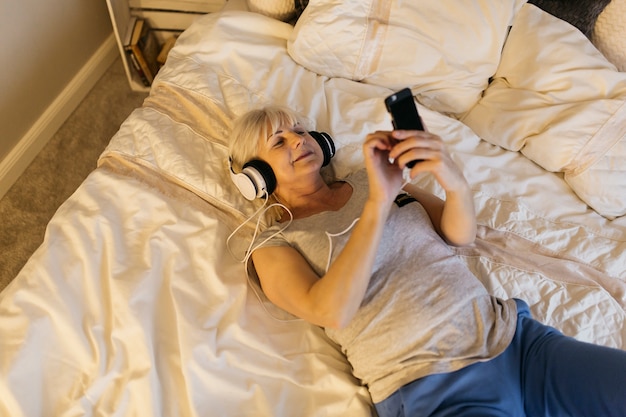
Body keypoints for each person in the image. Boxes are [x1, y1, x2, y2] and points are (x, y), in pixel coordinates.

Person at [228, 105, 626, 417]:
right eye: (278, 142)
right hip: (431, 382)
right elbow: (329, 310)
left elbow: (459, 234)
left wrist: (451, 176)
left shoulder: (370, 179)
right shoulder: (273, 244)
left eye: (299, 130)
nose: (298, 140)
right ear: (255, 175)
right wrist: (378, 204)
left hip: (516, 342)